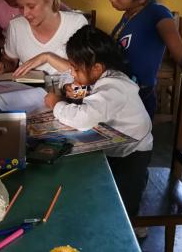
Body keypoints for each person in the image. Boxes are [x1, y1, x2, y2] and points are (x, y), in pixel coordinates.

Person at [44, 25, 152, 226]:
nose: (73, 73)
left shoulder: (113, 86)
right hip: (122, 145)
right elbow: (100, 99)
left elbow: (84, 118)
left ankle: (133, 227)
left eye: (76, 68)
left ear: (97, 68)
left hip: (132, 153)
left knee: (124, 203)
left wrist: (56, 104)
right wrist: (84, 91)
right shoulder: (111, 77)